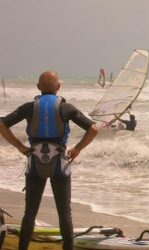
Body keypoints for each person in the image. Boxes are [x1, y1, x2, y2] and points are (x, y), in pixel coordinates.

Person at [0, 71, 98, 250]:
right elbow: (93, 130)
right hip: (60, 166)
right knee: (64, 212)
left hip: (35, 165)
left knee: (30, 212)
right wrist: (77, 149)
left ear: (38, 87)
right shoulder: (66, 108)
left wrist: (20, 147)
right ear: (59, 87)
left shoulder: (29, 107)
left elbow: (1, 125)